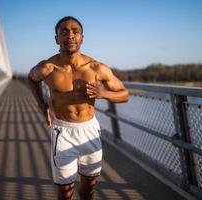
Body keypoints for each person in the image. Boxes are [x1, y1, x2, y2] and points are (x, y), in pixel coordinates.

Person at [28, 16, 129, 200]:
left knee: (88, 190)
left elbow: (124, 94)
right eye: (64, 32)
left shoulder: (97, 68)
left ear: (82, 37)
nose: (70, 35)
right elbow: (31, 78)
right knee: (65, 192)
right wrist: (41, 103)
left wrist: (104, 94)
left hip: (89, 131)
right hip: (63, 133)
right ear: (56, 39)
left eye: (75, 31)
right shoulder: (47, 68)